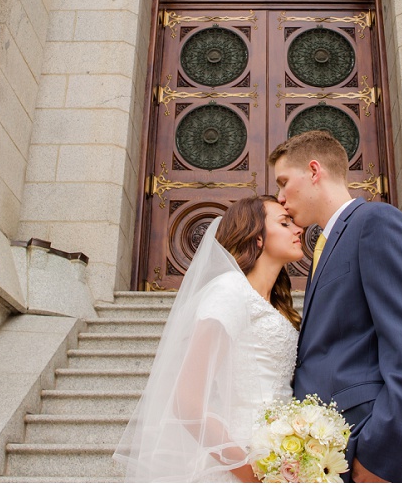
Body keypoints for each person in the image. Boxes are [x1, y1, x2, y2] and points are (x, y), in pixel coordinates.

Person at [272, 130, 402, 483]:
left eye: (284, 182)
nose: (280, 196)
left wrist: (380, 458)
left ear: (314, 171)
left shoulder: (376, 222)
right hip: (327, 454)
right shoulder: (327, 243)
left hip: (366, 451)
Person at [114, 195, 305, 482]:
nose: (298, 229)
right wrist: (253, 475)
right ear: (257, 239)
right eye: (284, 223)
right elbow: (187, 402)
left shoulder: (274, 306)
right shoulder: (229, 291)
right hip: (243, 459)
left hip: (281, 456)